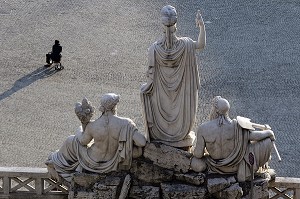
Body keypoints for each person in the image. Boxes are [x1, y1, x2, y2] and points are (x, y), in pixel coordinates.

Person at [140, 5, 206, 146]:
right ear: (175, 24)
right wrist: (201, 26)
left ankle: (164, 136)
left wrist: (144, 89)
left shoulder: (154, 49)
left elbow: (150, 80)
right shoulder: (186, 44)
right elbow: (200, 45)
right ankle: (179, 136)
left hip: (161, 101)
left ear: (162, 25)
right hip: (182, 101)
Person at [46, 93, 146, 182]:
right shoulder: (126, 123)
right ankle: (57, 162)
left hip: (92, 162)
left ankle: (56, 162)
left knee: (71, 140)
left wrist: (81, 127)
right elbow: (141, 142)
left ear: (102, 106)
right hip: (112, 163)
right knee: (72, 140)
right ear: (115, 106)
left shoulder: (93, 125)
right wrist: (127, 143)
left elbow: (83, 141)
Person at [192, 96, 275, 182]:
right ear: (227, 110)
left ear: (215, 110)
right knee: (266, 142)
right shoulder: (236, 126)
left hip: (214, 166)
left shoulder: (203, 128)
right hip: (234, 167)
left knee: (195, 162)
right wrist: (268, 133)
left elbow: (198, 154)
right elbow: (253, 136)